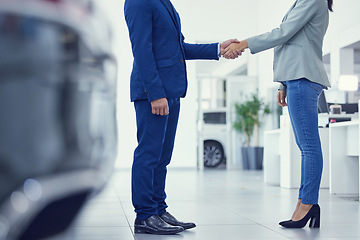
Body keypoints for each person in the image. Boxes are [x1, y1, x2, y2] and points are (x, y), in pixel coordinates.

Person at [124, 0, 240, 235]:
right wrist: (156, 93)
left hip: (171, 91)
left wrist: (218, 47)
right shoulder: (138, 1)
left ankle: (158, 209)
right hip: (153, 92)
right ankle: (145, 215)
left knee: (162, 156)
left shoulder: (163, 2)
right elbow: (142, 49)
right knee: (149, 153)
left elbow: (178, 48)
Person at [222, 0, 333, 229]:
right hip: (296, 79)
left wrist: (244, 43)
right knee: (306, 146)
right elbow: (294, 42)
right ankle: (304, 203)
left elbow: (283, 33)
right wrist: (283, 83)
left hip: (303, 79)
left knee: (309, 146)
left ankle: (308, 204)